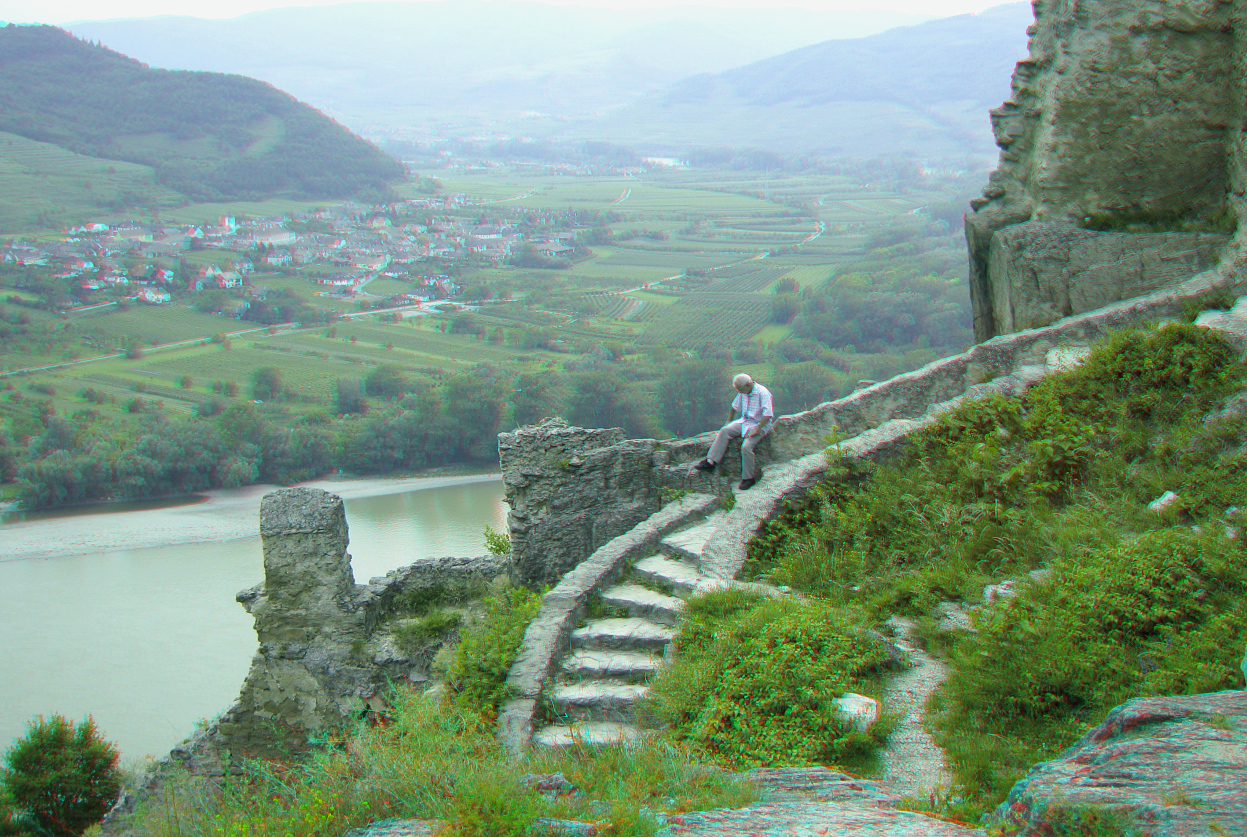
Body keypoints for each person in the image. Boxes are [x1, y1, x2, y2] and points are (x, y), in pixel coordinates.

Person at [693, 373, 774, 490]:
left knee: (746, 447)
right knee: (725, 431)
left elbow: (768, 415)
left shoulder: (763, 393)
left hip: (760, 424)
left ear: (747, 384)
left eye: (741, 390)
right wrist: (729, 421)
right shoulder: (743, 392)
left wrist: (757, 428)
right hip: (745, 422)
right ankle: (711, 461)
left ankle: (748, 478)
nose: (740, 392)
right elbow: (734, 407)